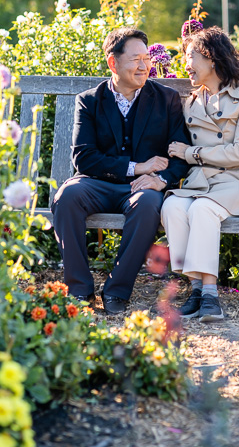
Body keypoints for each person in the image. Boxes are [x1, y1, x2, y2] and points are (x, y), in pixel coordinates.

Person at [52, 27, 189, 315]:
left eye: (147, 58)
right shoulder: (89, 100)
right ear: (113, 63)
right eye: (135, 59)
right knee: (66, 197)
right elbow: (84, 158)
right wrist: (137, 166)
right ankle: (79, 290)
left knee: (150, 202)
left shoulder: (166, 100)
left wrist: (159, 179)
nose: (144, 66)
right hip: (96, 183)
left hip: (142, 188)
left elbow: (180, 156)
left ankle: (117, 290)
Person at [164, 26, 239, 322]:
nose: (186, 64)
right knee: (171, 206)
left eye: (191, 55)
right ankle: (195, 289)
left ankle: (210, 294)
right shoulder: (192, 102)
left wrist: (191, 154)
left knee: (202, 209)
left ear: (212, 59)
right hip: (200, 184)